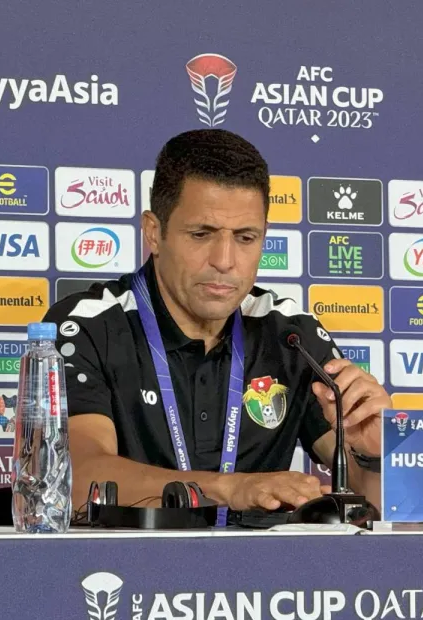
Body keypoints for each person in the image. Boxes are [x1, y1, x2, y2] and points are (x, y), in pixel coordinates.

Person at [42, 128, 387, 513]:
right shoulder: (88, 326)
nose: (224, 261)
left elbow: (377, 506)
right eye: (201, 234)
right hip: (129, 554)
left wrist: (372, 453)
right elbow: (73, 480)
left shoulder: (292, 335)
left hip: (270, 557)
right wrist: (230, 489)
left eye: (245, 238)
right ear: (154, 233)